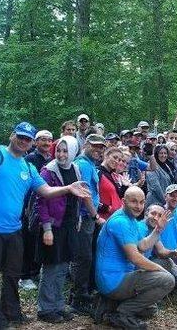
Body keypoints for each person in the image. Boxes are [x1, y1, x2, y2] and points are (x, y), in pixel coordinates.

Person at [0, 122, 91, 330]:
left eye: (27, 139)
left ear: (31, 143)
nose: (23, 142)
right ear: (12, 135)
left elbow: (46, 191)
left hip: (13, 229)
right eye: (20, 137)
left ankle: (12, 313)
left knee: (13, 274)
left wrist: (68, 187)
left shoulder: (28, 167)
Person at [94, 187, 175, 329]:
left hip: (121, 277)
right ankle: (122, 314)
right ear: (123, 201)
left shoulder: (130, 220)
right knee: (168, 280)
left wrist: (158, 230)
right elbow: (135, 257)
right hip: (113, 280)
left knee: (150, 309)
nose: (139, 206)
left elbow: (143, 246)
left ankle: (110, 304)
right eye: (134, 202)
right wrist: (160, 269)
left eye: (142, 202)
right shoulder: (121, 222)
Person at [35, 136, 81, 323]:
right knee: (51, 267)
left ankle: (58, 304)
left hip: (68, 225)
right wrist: (46, 228)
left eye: (65, 151)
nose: (61, 154)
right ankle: (46, 309)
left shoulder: (75, 169)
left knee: (63, 266)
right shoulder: (48, 171)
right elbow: (41, 201)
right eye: (58, 150)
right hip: (53, 226)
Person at [71, 133, 103, 316]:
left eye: (101, 147)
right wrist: (95, 214)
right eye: (95, 146)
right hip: (83, 218)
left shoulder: (90, 164)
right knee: (82, 258)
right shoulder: (83, 164)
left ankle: (82, 293)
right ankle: (77, 298)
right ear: (86, 144)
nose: (98, 150)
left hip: (88, 218)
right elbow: (84, 194)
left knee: (86, 257)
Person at [19, 129, 53, 292]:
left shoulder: (52, 160)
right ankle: (24, 275)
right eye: (43, 140)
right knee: (28, 239)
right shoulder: (30, 159)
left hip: (46, 207)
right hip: (30, 206)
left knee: (40, 240)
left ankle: (34, 271)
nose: (46, 143)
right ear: (36, 142)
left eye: (49, 140)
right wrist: (25, 206)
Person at [137, 203, 177, 290]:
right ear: (146, 214)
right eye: (153, 213)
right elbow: (140, 252)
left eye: (160, 215)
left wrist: (174, 252)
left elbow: (161, 251)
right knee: (168, 274)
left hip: (148, 263)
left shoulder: (154, 229)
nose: (156, 218)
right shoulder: (140, 227)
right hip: (137, 268)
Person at [155, 184, 177, 289]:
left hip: (175, 256)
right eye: (172, 195)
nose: (175, 199)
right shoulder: (157, 213)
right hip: (159, 256)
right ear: (165, 197)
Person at [98, 148, 124, 220]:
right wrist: (106, 208)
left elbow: (117, 195)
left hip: (114, 217)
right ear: (106, 156)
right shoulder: (98, 173)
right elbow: (91, 196)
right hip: (102, 218)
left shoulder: (113, 175)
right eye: (115, 157)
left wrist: (125, 186)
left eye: (119, 160)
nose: (116, 161)